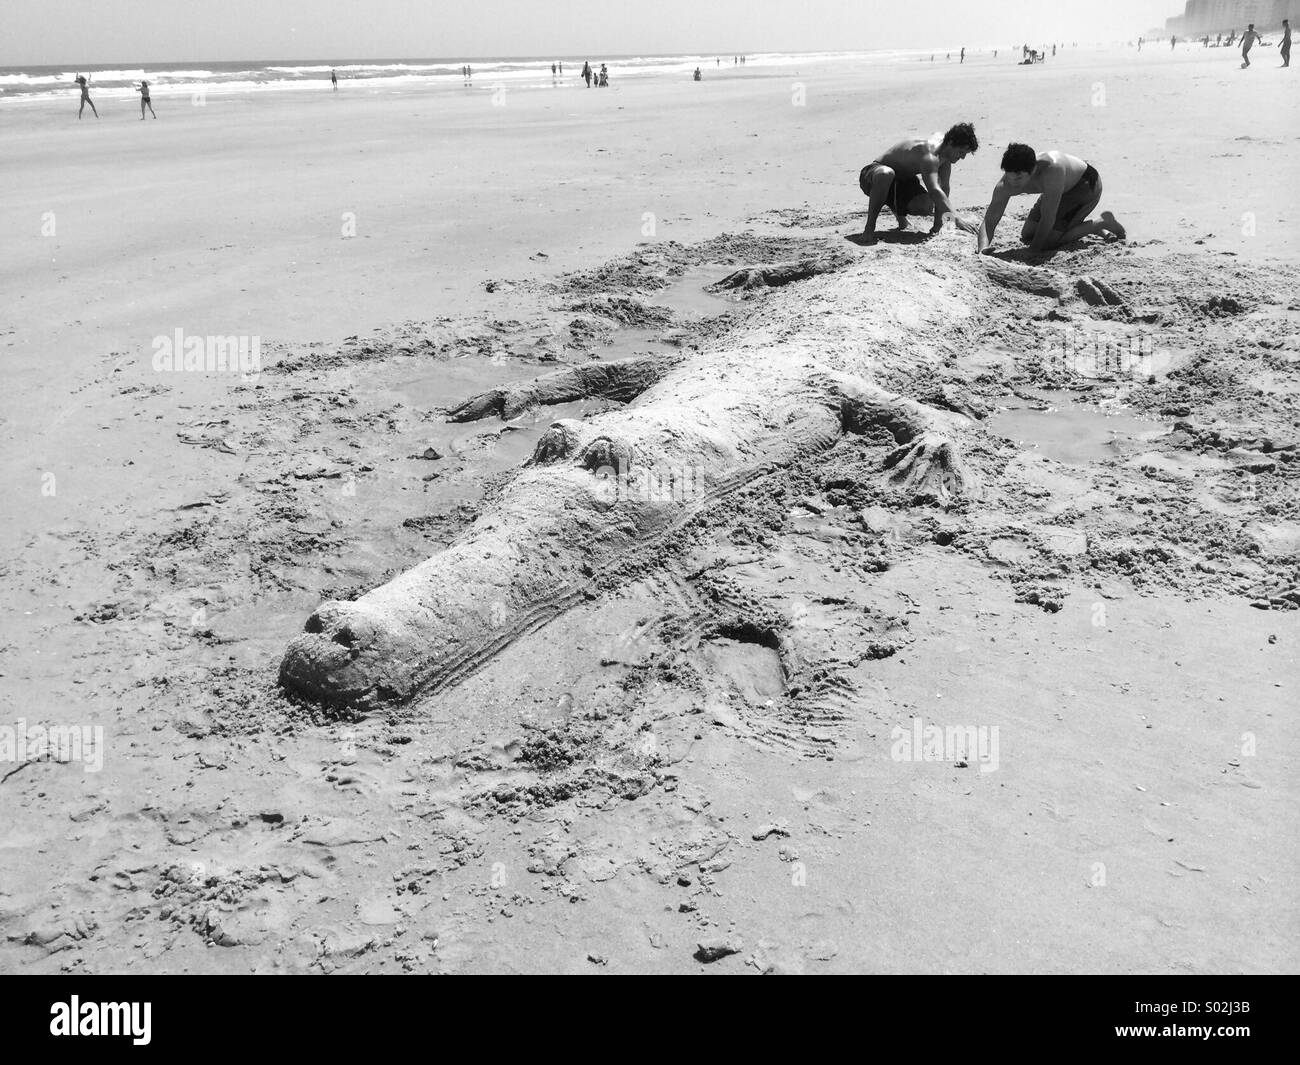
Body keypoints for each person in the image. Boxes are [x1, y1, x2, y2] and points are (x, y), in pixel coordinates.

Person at [976, 143, 1126, 253]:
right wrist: (983, 248)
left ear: (1033, 170)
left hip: (1084, 186)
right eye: (1010, 177)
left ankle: (1101, 223)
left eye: (1019, 178)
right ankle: (1077, 225)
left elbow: (1048, 217)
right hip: (1057, 190)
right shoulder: (1005, 184)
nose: (1014, 184)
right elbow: (989, 220)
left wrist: (1033, 250)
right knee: (1027, 234)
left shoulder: (1052, 171)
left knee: (1048, 242)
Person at [858, 123, 981, 244]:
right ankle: (869, 228)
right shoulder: (930, 156)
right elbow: (934, 190)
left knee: (925, 206)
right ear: (950, 143)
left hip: (901, 182)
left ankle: (899, 215)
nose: (963, 157)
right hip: (873, 176)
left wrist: (937, 227)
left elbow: (943, 190)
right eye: (961, 152)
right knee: (886, 174)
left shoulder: (945, 154)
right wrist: (957, 219)